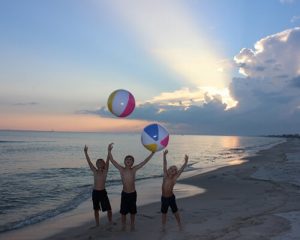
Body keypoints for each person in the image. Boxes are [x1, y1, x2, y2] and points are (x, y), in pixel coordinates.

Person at [108, 143, 155, 231]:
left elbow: (144, 162)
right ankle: (123, 225)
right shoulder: (121, 169)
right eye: (127, 159)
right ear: (124, 161)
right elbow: (112, 160)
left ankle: (132, 224)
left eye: (130, 159)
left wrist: (152, 153)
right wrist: (109, 151)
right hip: (125, 194)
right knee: (123, 212)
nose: (128, 160)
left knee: (133, 211)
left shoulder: (134, 169)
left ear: (133, 162)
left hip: (133, 194)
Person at [84, 143, 113, 227]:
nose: (99, 163)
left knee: (108, 209)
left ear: (104, 164)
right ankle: (97, 224)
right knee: (96, 209)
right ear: (96, 164)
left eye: (101, 162)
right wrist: (86, 152)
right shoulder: (94, 171)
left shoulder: (105, 171)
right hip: (95, 192)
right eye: (98, 162)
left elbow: (108, 160)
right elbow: (89, 162)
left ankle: (110, 221)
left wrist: (109, 151)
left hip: (103, 192)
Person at [161, 149, 188, 230]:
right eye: (171, 169)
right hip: (164, 198)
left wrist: (186, 162)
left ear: (175, 173)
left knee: (175, 211)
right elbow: (164, 165)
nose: (173, 170)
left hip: (171, 198)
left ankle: (179, 224)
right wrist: (164, 156)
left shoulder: (174, 178)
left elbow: (181, 170)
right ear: (168, 170)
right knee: (164, 212)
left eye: (175, 170)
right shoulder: (165, 176)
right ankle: (163, 226)